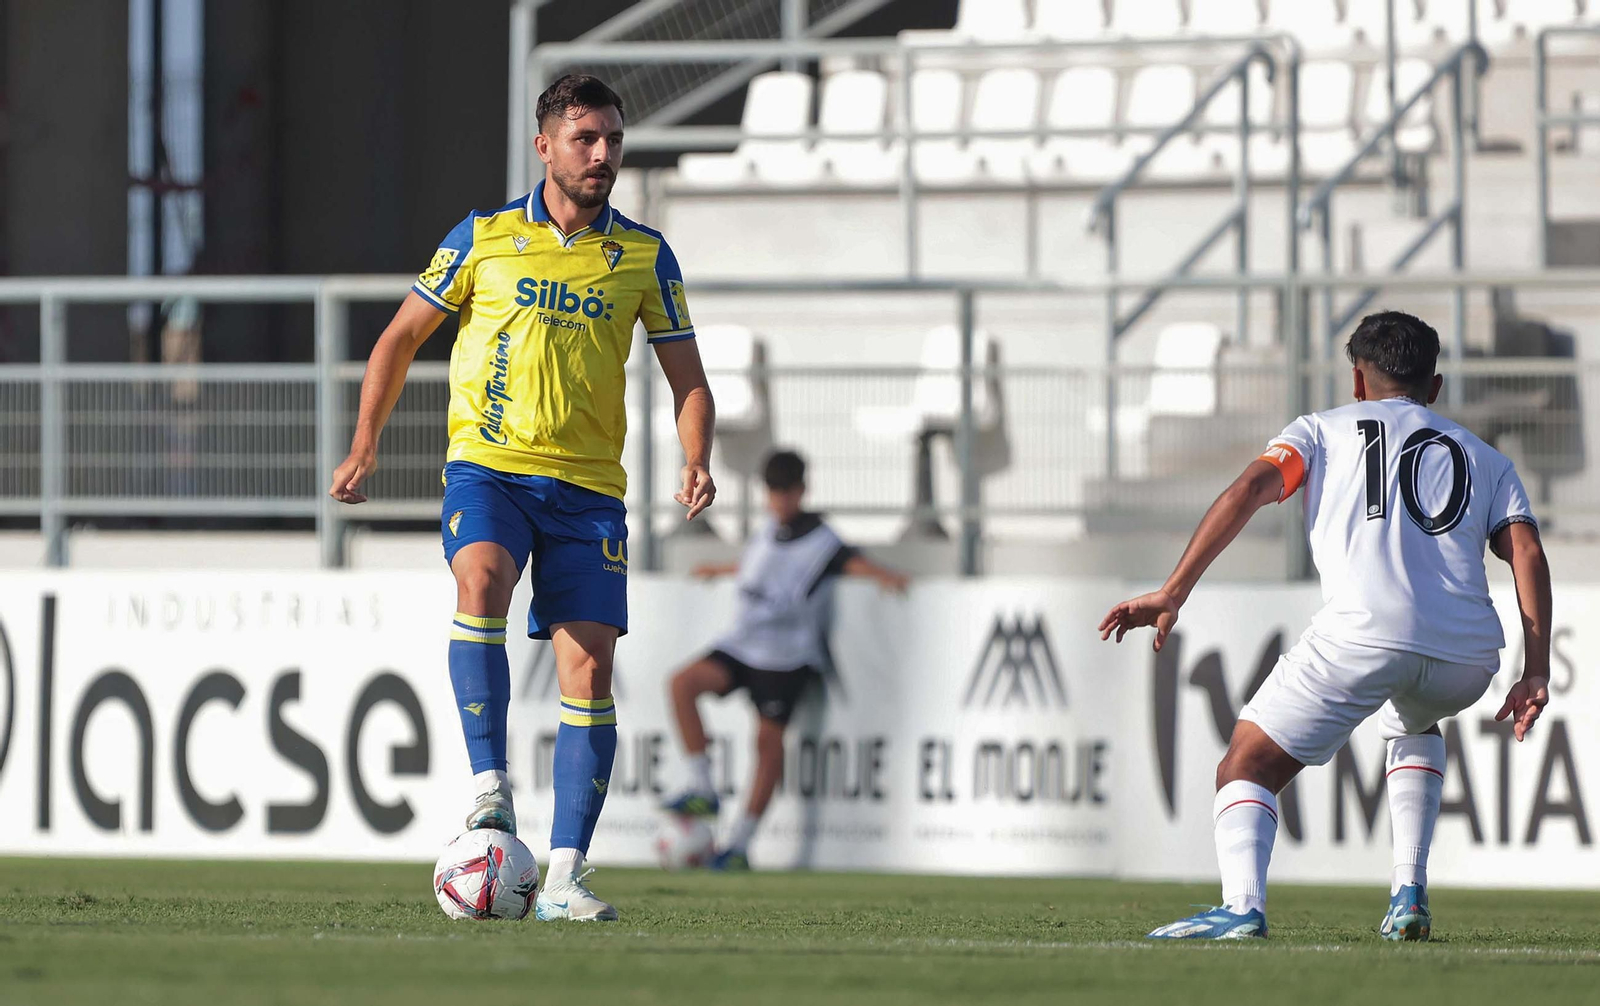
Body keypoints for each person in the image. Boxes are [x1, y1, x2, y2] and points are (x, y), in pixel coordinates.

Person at [328, 74, 716, 922]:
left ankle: (566, 877)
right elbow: (398, 338)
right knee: (481, 581)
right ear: (544, 146)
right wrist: (365, 446)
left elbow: (688, 377)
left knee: (590, 667)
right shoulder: (485, 237)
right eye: (586, 139)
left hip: (586, 491)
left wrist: (696, 457)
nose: (603, 153)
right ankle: (489, 789)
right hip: (489, 467)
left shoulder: (645, 255)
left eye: (613, 138)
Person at [1100, 311, 1551, 941]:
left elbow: (1249, 489)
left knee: (1247, 765)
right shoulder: (1486, 459)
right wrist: (1535, 671)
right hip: (1467, 656)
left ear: (1358, 383)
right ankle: (1408, 893)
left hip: (1362, 635)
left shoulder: (1318, 431)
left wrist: (1174, 590)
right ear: (1436, 386)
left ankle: (1241, 908)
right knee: (1416, 719)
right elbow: (1526, 552)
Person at [662, 449, 907, 869]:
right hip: (743, 645)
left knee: (767, 744)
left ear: (801, 491)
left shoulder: (823, 541)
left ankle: (739, 844)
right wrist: (720, 571)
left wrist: (886, 577)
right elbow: (757, 569)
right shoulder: (767, 532)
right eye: (772, 493)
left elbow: (853, 564)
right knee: (682, 684)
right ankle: (703, 786)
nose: (777, 501)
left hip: (784, 659)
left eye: (784, 493)